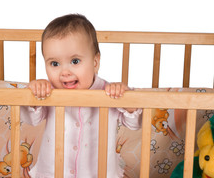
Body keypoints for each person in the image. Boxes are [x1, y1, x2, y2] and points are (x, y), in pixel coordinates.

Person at [21, 14, 142, 177]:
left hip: (99, 173)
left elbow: (135, 123)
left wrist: (126, 97)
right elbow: (32, 119)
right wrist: (34, 94)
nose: (65, 72)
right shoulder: (48, 92)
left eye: (75, 61)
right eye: (54, 64)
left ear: (95, 62)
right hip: (54, 172)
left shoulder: (109, 93)